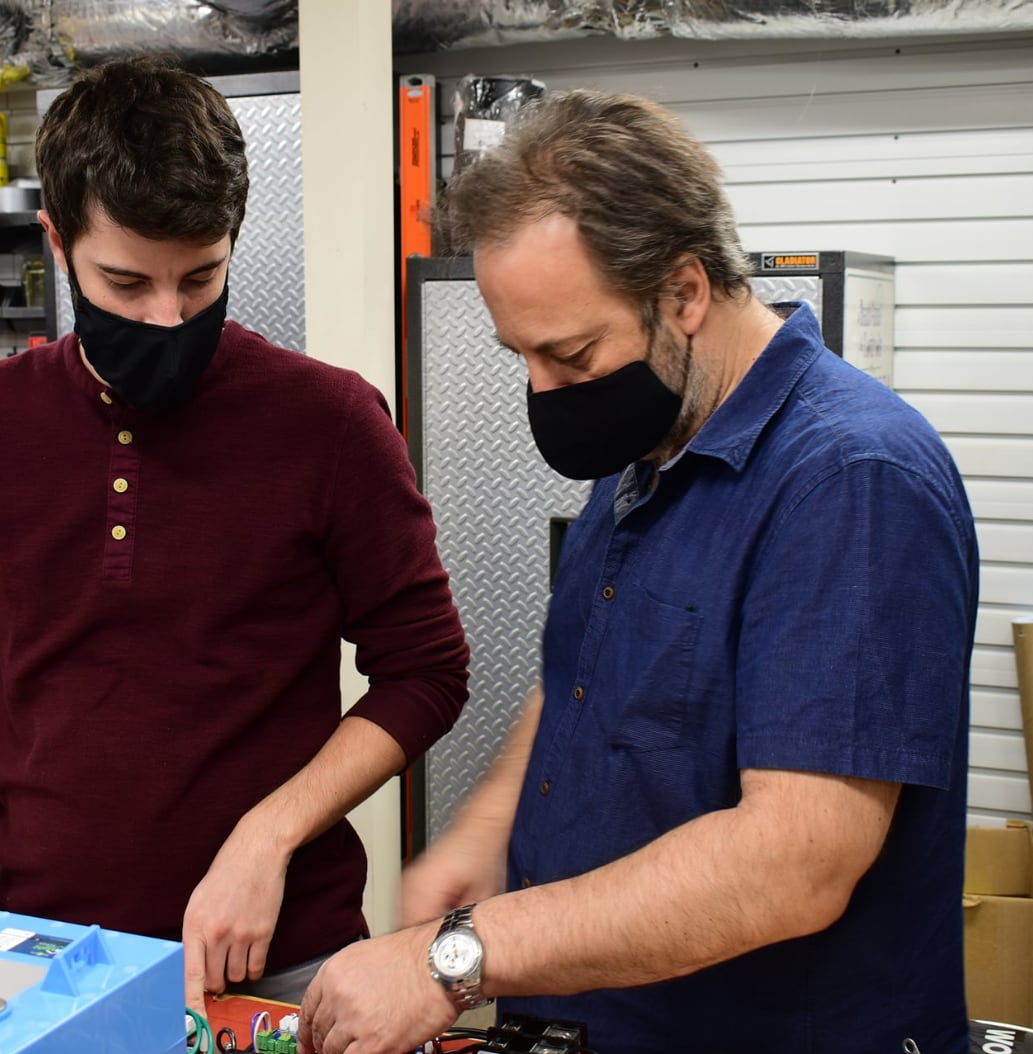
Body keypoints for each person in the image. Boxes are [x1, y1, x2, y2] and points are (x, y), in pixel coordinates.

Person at [300, 89, 977, 1054]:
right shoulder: (655, 433)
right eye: (519, 356)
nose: (544, 392)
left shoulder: (851, 482)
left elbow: (795, 861)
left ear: (684, 293)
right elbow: (591, 676)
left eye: (570, 355)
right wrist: (488, 829)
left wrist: (452, 956)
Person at [0, 57, 470, 1013]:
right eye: (126, 283)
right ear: (57, 243)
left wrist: (268, 835)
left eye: (201, 278)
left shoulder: (330, 423)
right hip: (48, 961)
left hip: (284, 962)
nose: (168, 317)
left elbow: (428, 672)